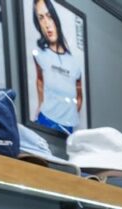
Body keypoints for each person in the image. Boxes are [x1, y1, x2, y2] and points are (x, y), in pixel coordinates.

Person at [31, 0, 83, 135]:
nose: (47, 24)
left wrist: (69, 115)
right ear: (38, 23)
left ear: (55, 17)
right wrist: (40, 105)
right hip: (45, 119)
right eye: (41, 18)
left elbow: (79, 95)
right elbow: (40, 80)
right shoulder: (39, 54)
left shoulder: (74, 62)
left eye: (49, 16)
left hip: (68, 127)